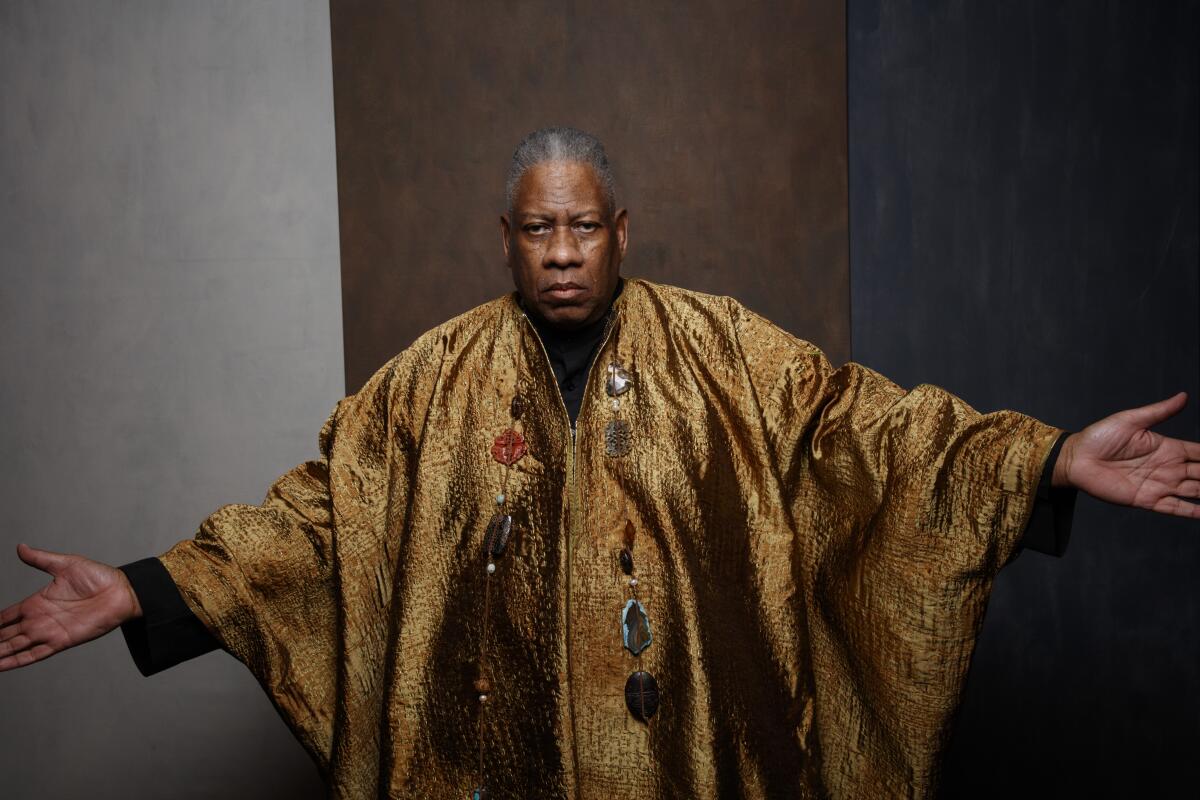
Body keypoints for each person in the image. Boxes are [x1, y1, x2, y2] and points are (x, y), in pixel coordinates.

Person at [1, 127, 1196, 799]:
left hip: (689, 768)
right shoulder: (426, 380)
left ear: (620, 231)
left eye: (583, 225)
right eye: (538, 228)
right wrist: (146, 585)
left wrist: (1042, 459)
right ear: (509, 239)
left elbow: (866, 429)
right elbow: (321, 522)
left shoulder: (728, 348)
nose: (562, 252)